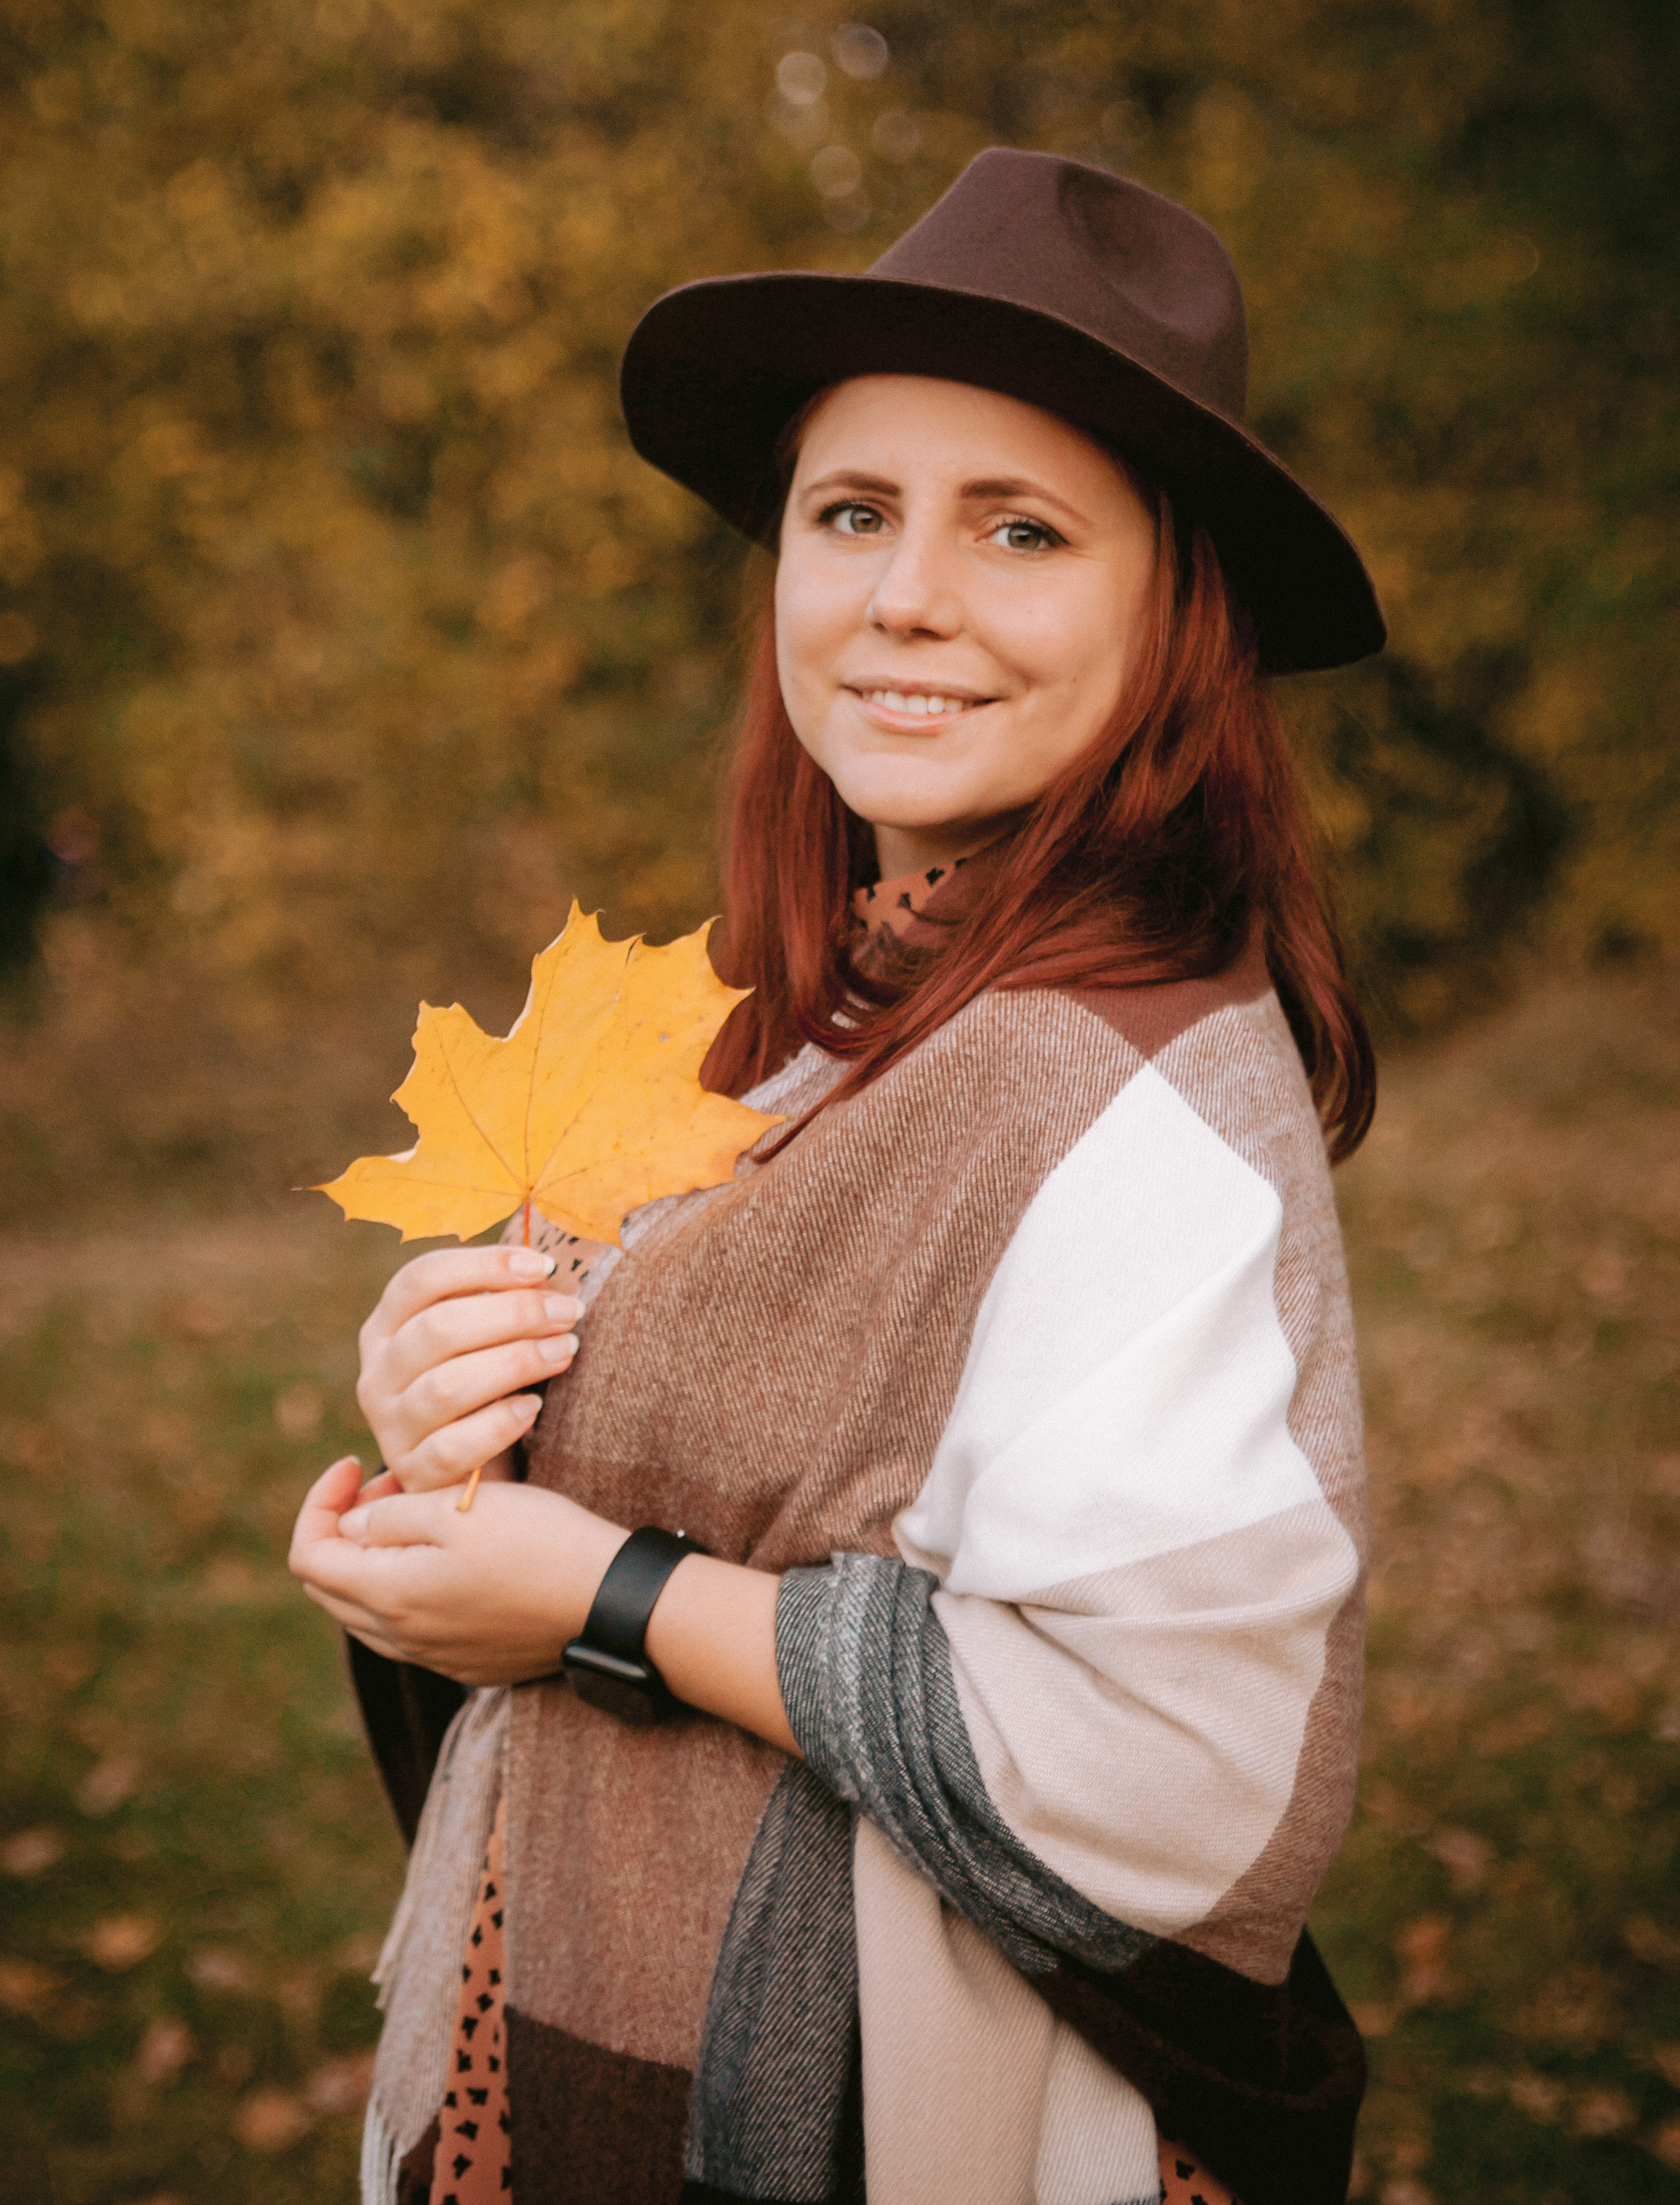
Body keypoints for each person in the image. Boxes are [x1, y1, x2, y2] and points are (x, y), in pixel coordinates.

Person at [290, 148, 1382, 2205]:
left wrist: (610, 1596)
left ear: (1176, 613)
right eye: (855, 515)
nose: (905, 597)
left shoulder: (1142, 1108)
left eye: (1023, 530)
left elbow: (1175, 1778)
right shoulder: (809, 1020)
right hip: (586, 2033)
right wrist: (452, 1417)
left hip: (879, 2114)